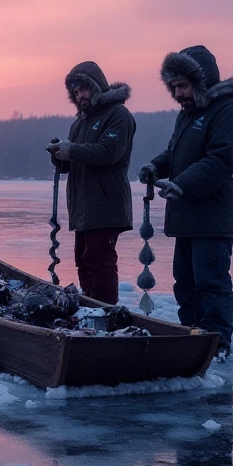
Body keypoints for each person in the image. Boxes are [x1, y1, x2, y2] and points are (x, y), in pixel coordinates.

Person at [139, 45, 233, 360]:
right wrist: (156, 167)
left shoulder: (229, 112)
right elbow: (174, 154)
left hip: (213, 216)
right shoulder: (187, 116)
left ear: (201, 81)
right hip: (187, 216)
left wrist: (181, 184)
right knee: (185, 285)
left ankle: (216, 347)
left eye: (183, 86)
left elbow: (221, 161)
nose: (177, 93)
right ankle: (191, 340)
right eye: (174, 87)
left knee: (210, 283)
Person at [48, 61, 136, 304]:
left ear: (97, 86)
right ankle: (89, 307)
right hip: (84, 207)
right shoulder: (80, 122)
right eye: (75, 93)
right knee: (83, 259)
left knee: (99, 258)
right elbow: (73, 162)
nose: (80, 96)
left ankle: (105, 311)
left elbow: (108, 152)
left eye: (84, 89)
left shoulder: (118, 115)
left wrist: (72, 150)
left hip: (106, 204)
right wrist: (59, 156)